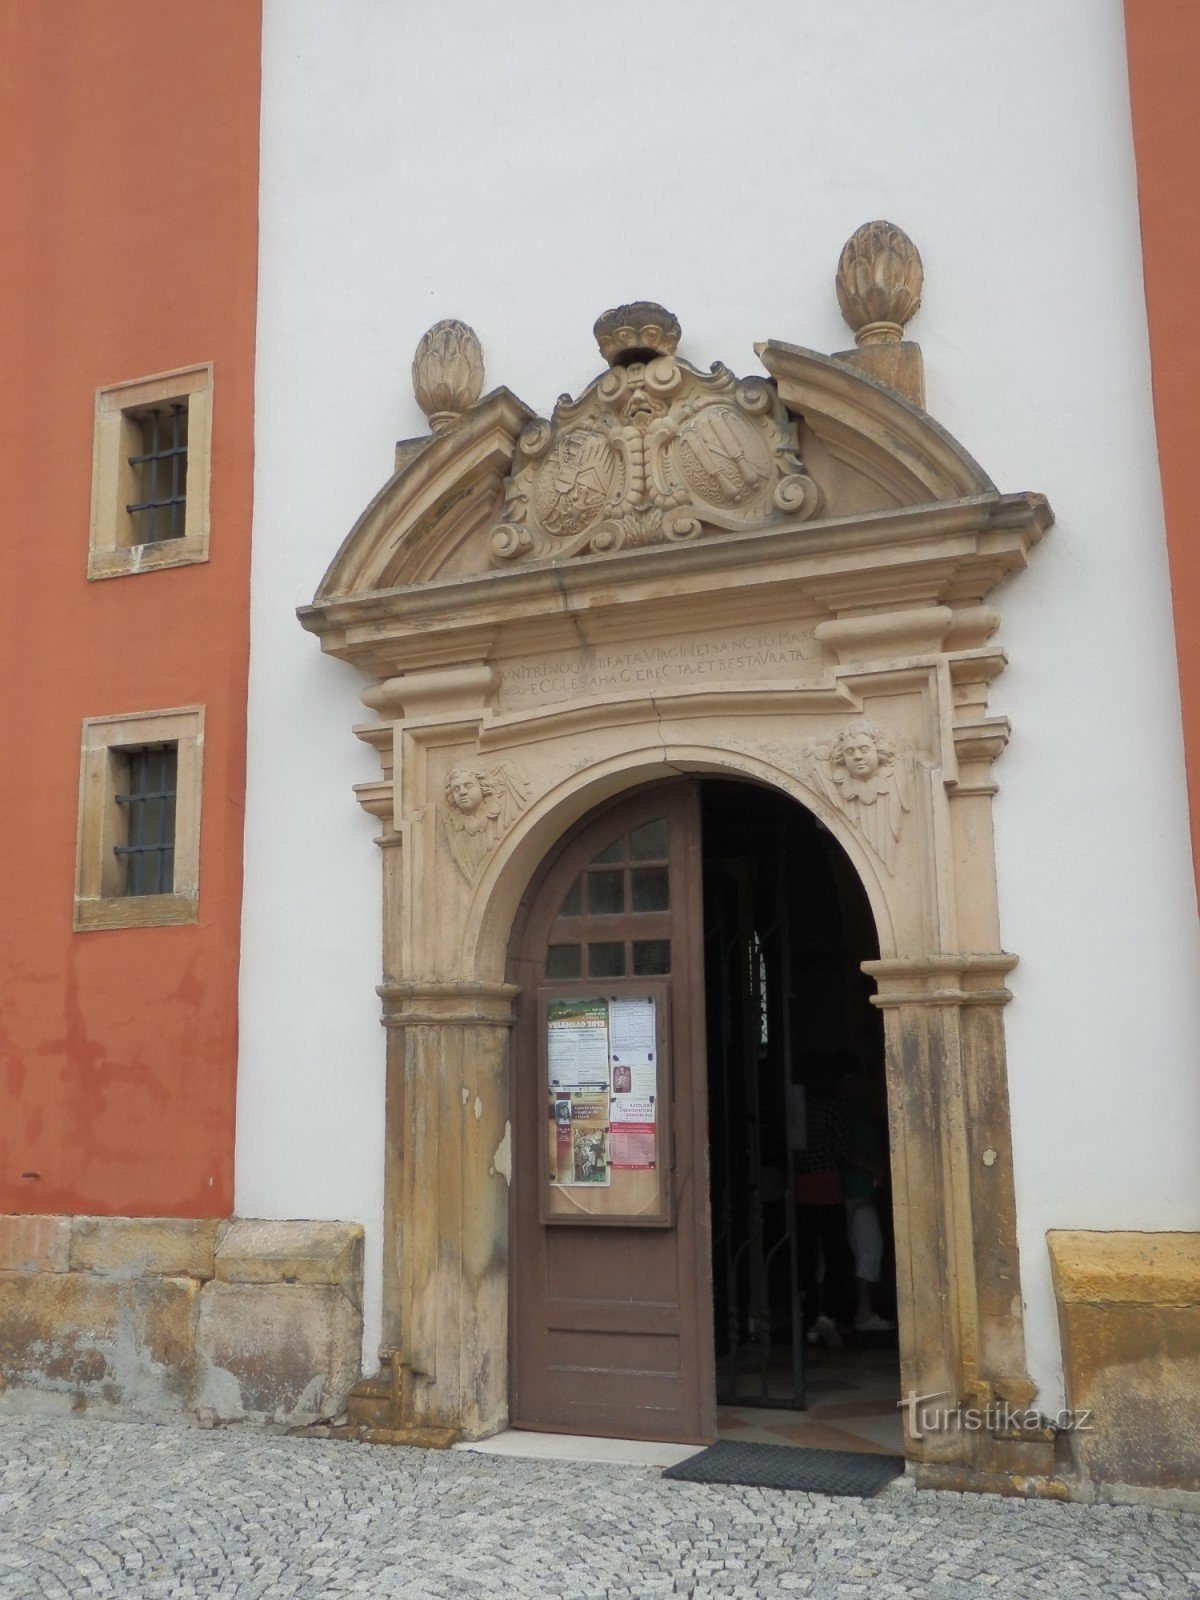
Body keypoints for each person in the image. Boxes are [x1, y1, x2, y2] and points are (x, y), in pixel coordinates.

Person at [838, 1065, 895, 1334]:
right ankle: (863, 1311)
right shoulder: (842, 1114)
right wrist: (874, 1169)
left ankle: (832, 1314)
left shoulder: (854, 1112)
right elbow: (846, 1151)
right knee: (869, 1248)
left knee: (858, 1250)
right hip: (854, 1192)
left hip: (858, 1191)